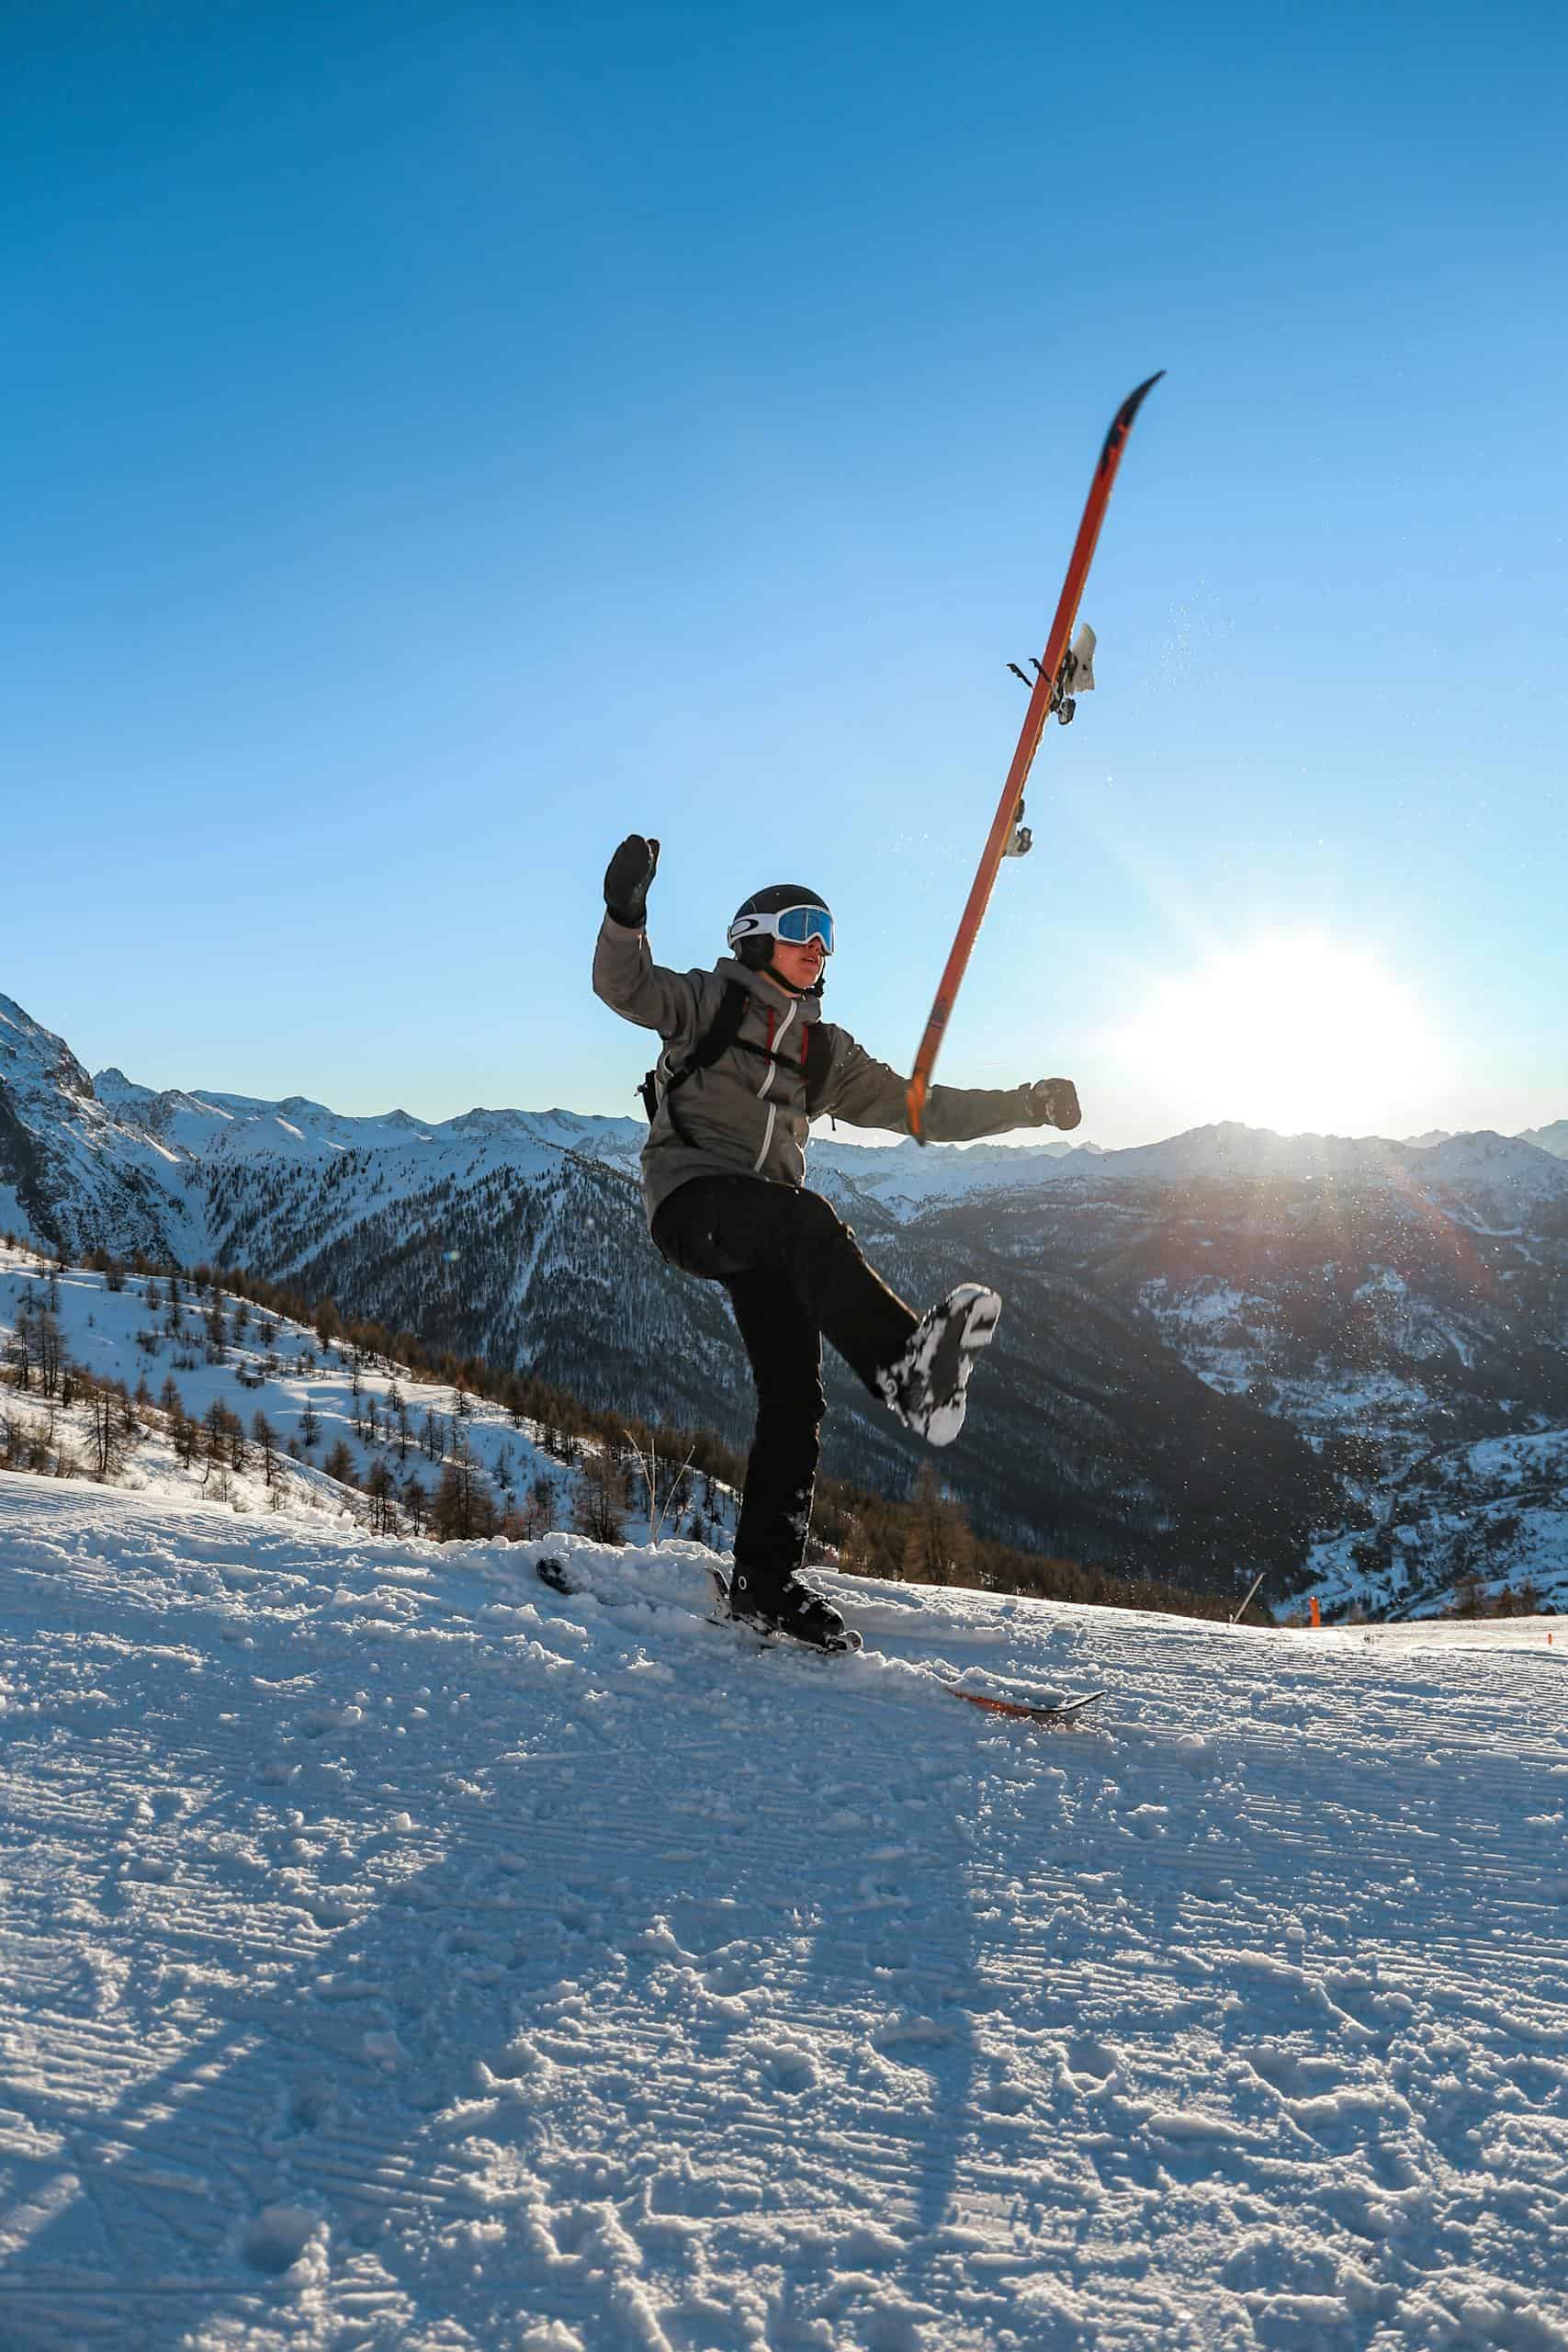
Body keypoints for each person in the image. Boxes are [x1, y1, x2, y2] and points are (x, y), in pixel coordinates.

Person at [592, 833, 1082, 1650]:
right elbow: (625, 986)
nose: (818, 946)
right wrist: (624, 913)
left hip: (769, 1233)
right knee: (807, 1215)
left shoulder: (824, 1051)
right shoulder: (706, 1003)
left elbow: (921, 1109)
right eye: (800, 928)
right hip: (693, 1204)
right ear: (753, 939)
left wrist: (1023, 1106)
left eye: (826, 933)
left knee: (795, 1396)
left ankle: (764, 1583)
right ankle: (908, 1373)